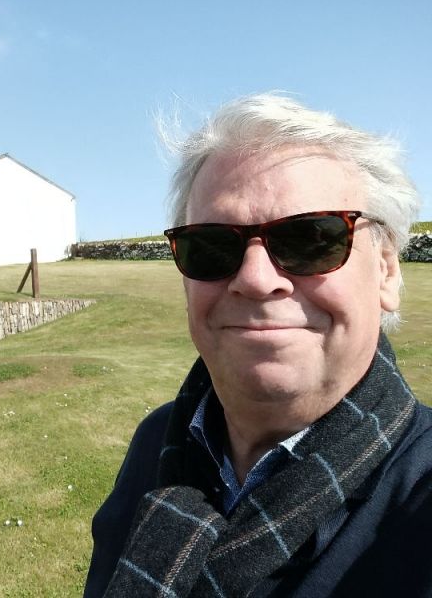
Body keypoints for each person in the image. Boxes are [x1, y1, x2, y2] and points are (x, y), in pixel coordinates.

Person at [83, 93, 432, 597]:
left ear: (386, 271)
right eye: (212, 245)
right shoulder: (158, 439)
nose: (254, 278)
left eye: (311, 239)